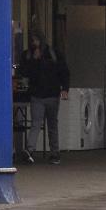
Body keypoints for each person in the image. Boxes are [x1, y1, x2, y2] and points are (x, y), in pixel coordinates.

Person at [19, 31, 69, 165]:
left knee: (41, 123)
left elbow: (63, 71)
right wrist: (64, 88)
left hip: (44, 94)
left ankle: (47, 151)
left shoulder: (49, 54)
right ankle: (45, 152)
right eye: (32, 41)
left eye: (35, 41)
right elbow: (63, 71)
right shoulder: (47, 54)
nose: (34, 44)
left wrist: (65, 88)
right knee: (48, 124)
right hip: (46, 94)